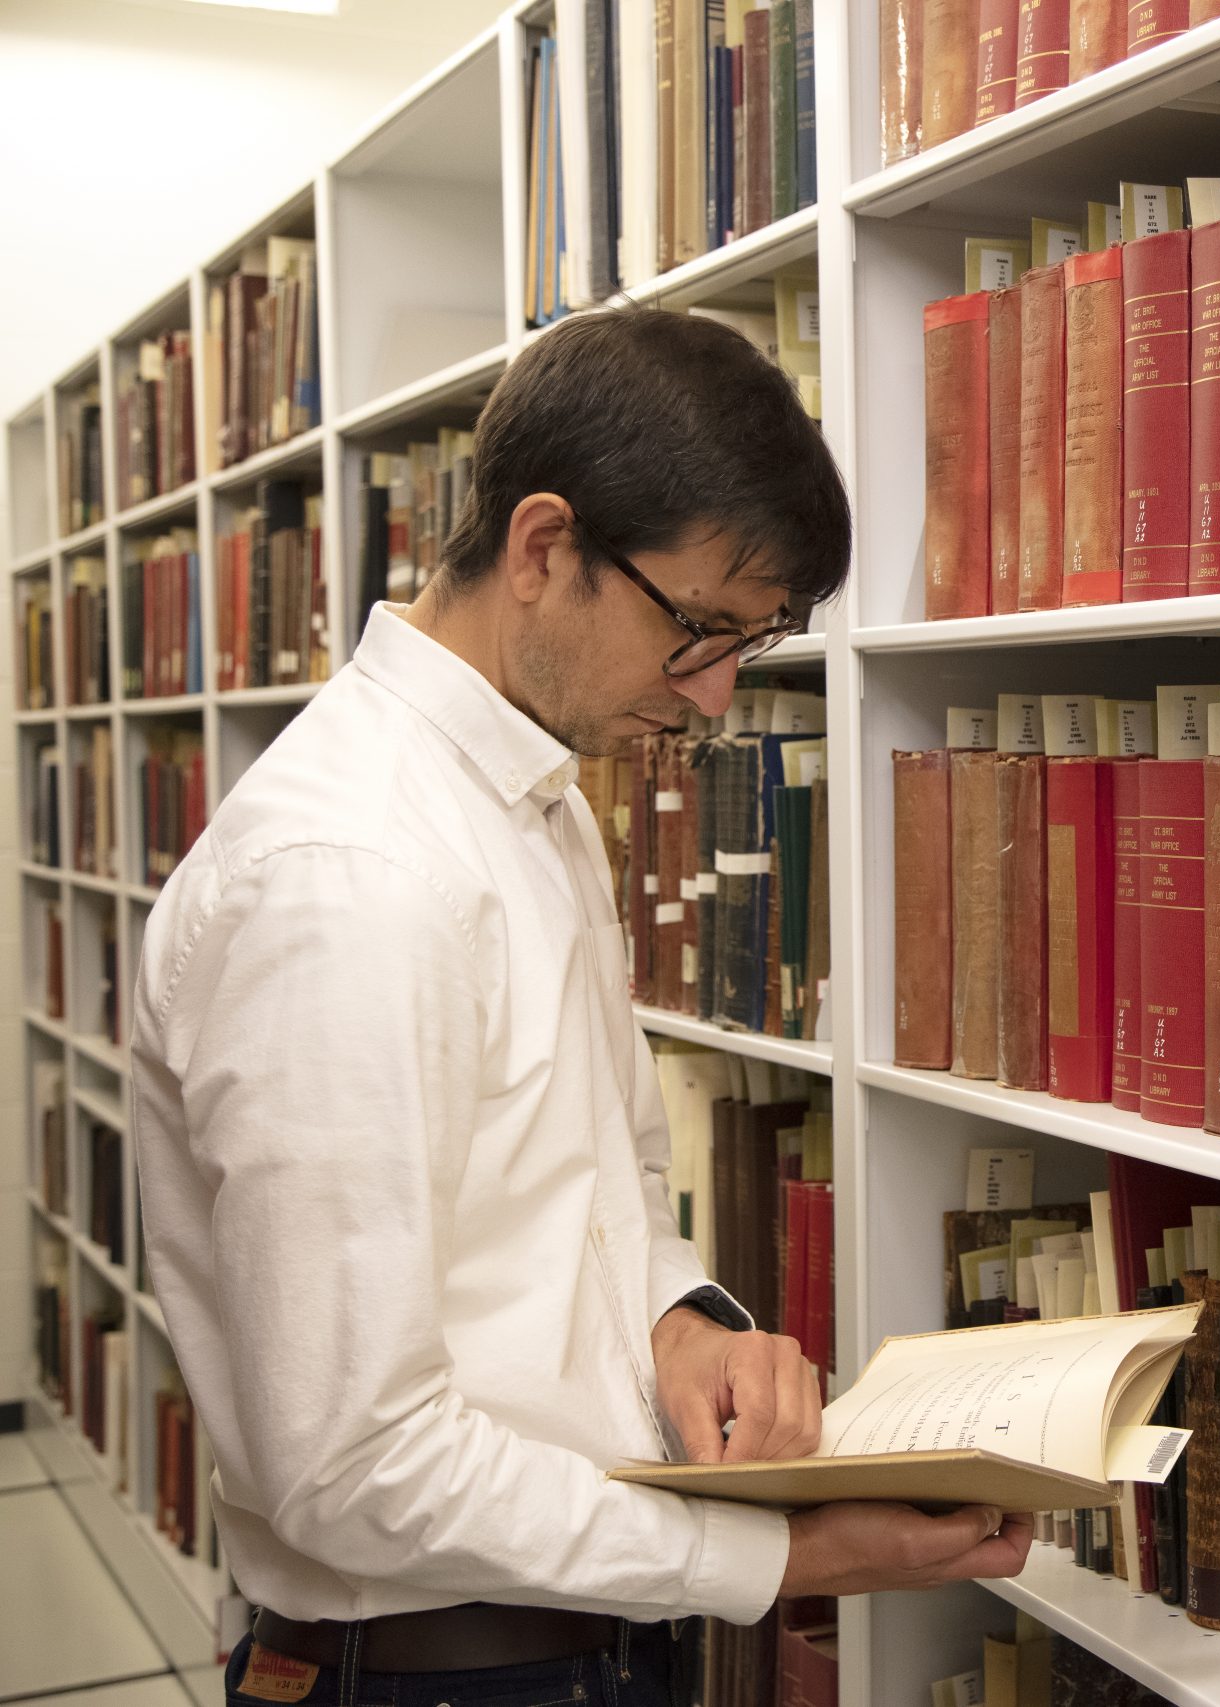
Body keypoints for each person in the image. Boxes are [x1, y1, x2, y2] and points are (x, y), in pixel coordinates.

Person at [132, 310, 1029, 1707]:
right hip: (438, 1673)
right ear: (544, 549)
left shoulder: (528, 802)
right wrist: (773, 1560)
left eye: (755, 641)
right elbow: (349, 1468)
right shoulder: (351, 883)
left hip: (575, 1639)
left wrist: (683, 1328)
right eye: (703, 632)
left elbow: (587, 1197)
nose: (721, 695)